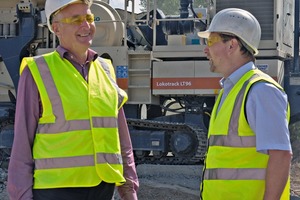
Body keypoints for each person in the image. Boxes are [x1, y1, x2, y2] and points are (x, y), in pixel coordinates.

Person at [7, 0, 139, 199]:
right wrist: (21, 195)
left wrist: (128, 188)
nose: (85, 25)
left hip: (102, 188)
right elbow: (22, 141)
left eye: (88, 18)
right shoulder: (37, 71)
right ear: (56, 28)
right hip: (55, 190)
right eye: (75, 20)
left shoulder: (105, 69)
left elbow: (121, 135)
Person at [197, 8, 293, 200]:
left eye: (210, 41)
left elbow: (281, 155)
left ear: (232, 45)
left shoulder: (261, 91)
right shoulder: (232, 89)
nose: (205, 49)